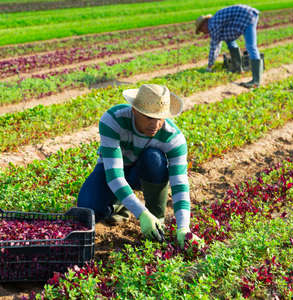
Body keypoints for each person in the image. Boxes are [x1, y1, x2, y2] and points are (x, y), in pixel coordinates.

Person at [77, 83, 201, 248]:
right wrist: (141, 214)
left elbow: (180, 185)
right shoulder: (113, 120)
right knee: (87, 208)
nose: (155, 125)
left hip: (144, 173)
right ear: (135, 110)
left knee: (154, 158)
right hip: (113, 171)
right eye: (149, 117)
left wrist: (184, 228)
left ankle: (157, 220)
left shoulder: (174, 139)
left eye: (160, 118)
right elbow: (114, 176)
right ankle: (119, 206)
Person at [195, 4, 263, 88]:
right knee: (229, 40)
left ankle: (256, 81)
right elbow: (228, 36)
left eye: (201, 30)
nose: (203, 32)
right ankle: (238, 69)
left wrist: (209, 66)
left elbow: (214, 46)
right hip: (245, 14)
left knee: (251, 46)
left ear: (204, 24)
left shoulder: (212, 25)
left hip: (247, 16)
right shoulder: (215, 22)